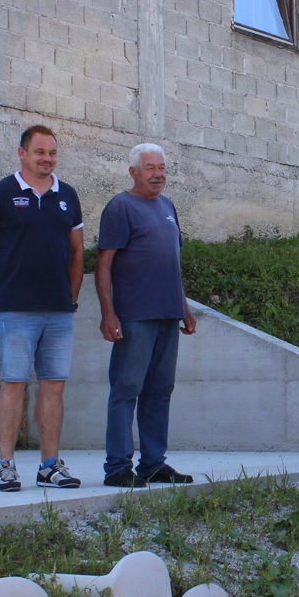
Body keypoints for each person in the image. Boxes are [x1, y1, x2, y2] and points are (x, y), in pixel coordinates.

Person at [0, 125, 85, 493]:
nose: (47, 159)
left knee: (54, 388)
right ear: (22, 153)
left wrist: (70, 298)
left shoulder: (68, 196)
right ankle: (7, 467)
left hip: (58, 312)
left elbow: (77, 252)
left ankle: (50, 466)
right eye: (39, 152)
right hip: (15, 310)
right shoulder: (0, 194)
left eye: (52, 153)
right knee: (13, 385)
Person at [95, 144, 198, 488]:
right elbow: (104, 263)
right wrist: (108, 313)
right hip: (135, 316)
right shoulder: (120, 207)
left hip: (168, 314)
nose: (158, 174)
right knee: (126, 389)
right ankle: (117, 467)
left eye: (162, 168)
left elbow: (171, 262)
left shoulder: (167, 206)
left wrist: (184, 309)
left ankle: (153, 464)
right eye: (150, 168)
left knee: (160, 390)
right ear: (134, 172)